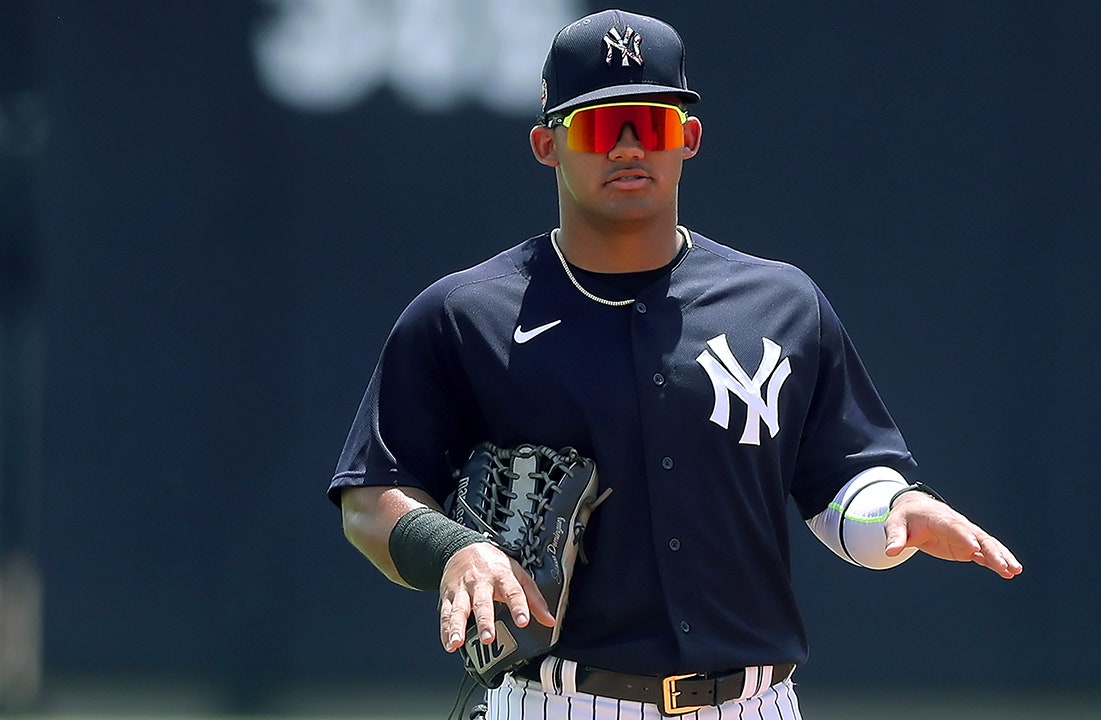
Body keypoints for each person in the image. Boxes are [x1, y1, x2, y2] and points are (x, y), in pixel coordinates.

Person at [330, 8, 1022, 719]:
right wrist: (452, 548)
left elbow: (842, 486)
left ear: (688, 139)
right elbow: (370, 498)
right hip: (556, 700)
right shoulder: (464, 314)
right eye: (600, 127)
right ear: (546, 145)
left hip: (754, 701)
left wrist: (898, 509)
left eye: (652, 125)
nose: (628, 146)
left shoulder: (780, 304)